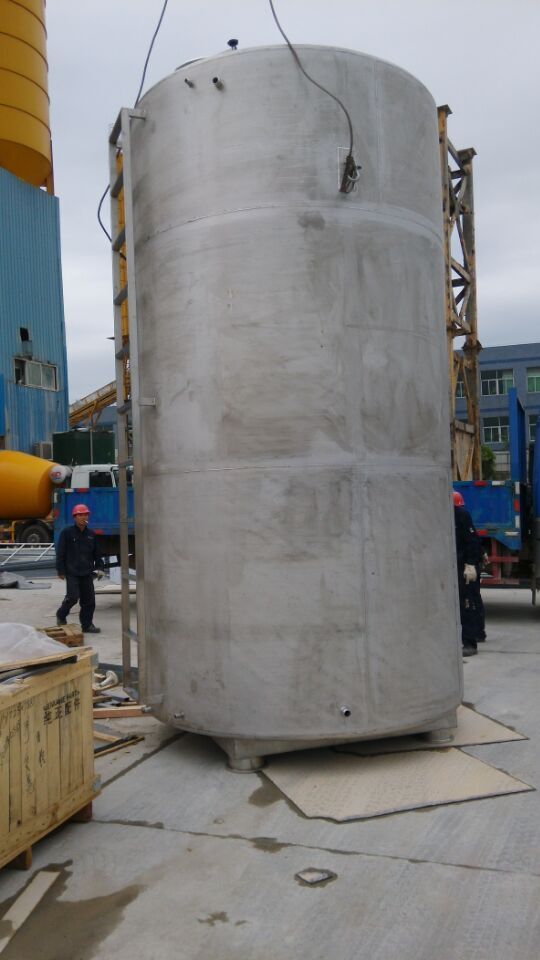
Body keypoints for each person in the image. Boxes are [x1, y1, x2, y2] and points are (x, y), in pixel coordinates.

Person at [55, 503, 104, 634]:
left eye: (85, 514)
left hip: (87, 573)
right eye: (80, 515)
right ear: (74, 517)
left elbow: (97, 554)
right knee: (72, 597)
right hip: (72, 572)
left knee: (89, 601)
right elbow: (61, 552)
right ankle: (61, 615)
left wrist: (100, 568)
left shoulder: (91, 535)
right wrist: (60, 570)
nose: (83, 517)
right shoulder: (67, 533)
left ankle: (87, 625)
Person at [453, 490, 485, 657]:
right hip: (456, 566)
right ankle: (476, 634)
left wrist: (471, 564)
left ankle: (470, 643)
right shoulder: (450, 515)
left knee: (468, 604)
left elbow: (472, 541)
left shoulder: (461, 515)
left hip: (464, 567)